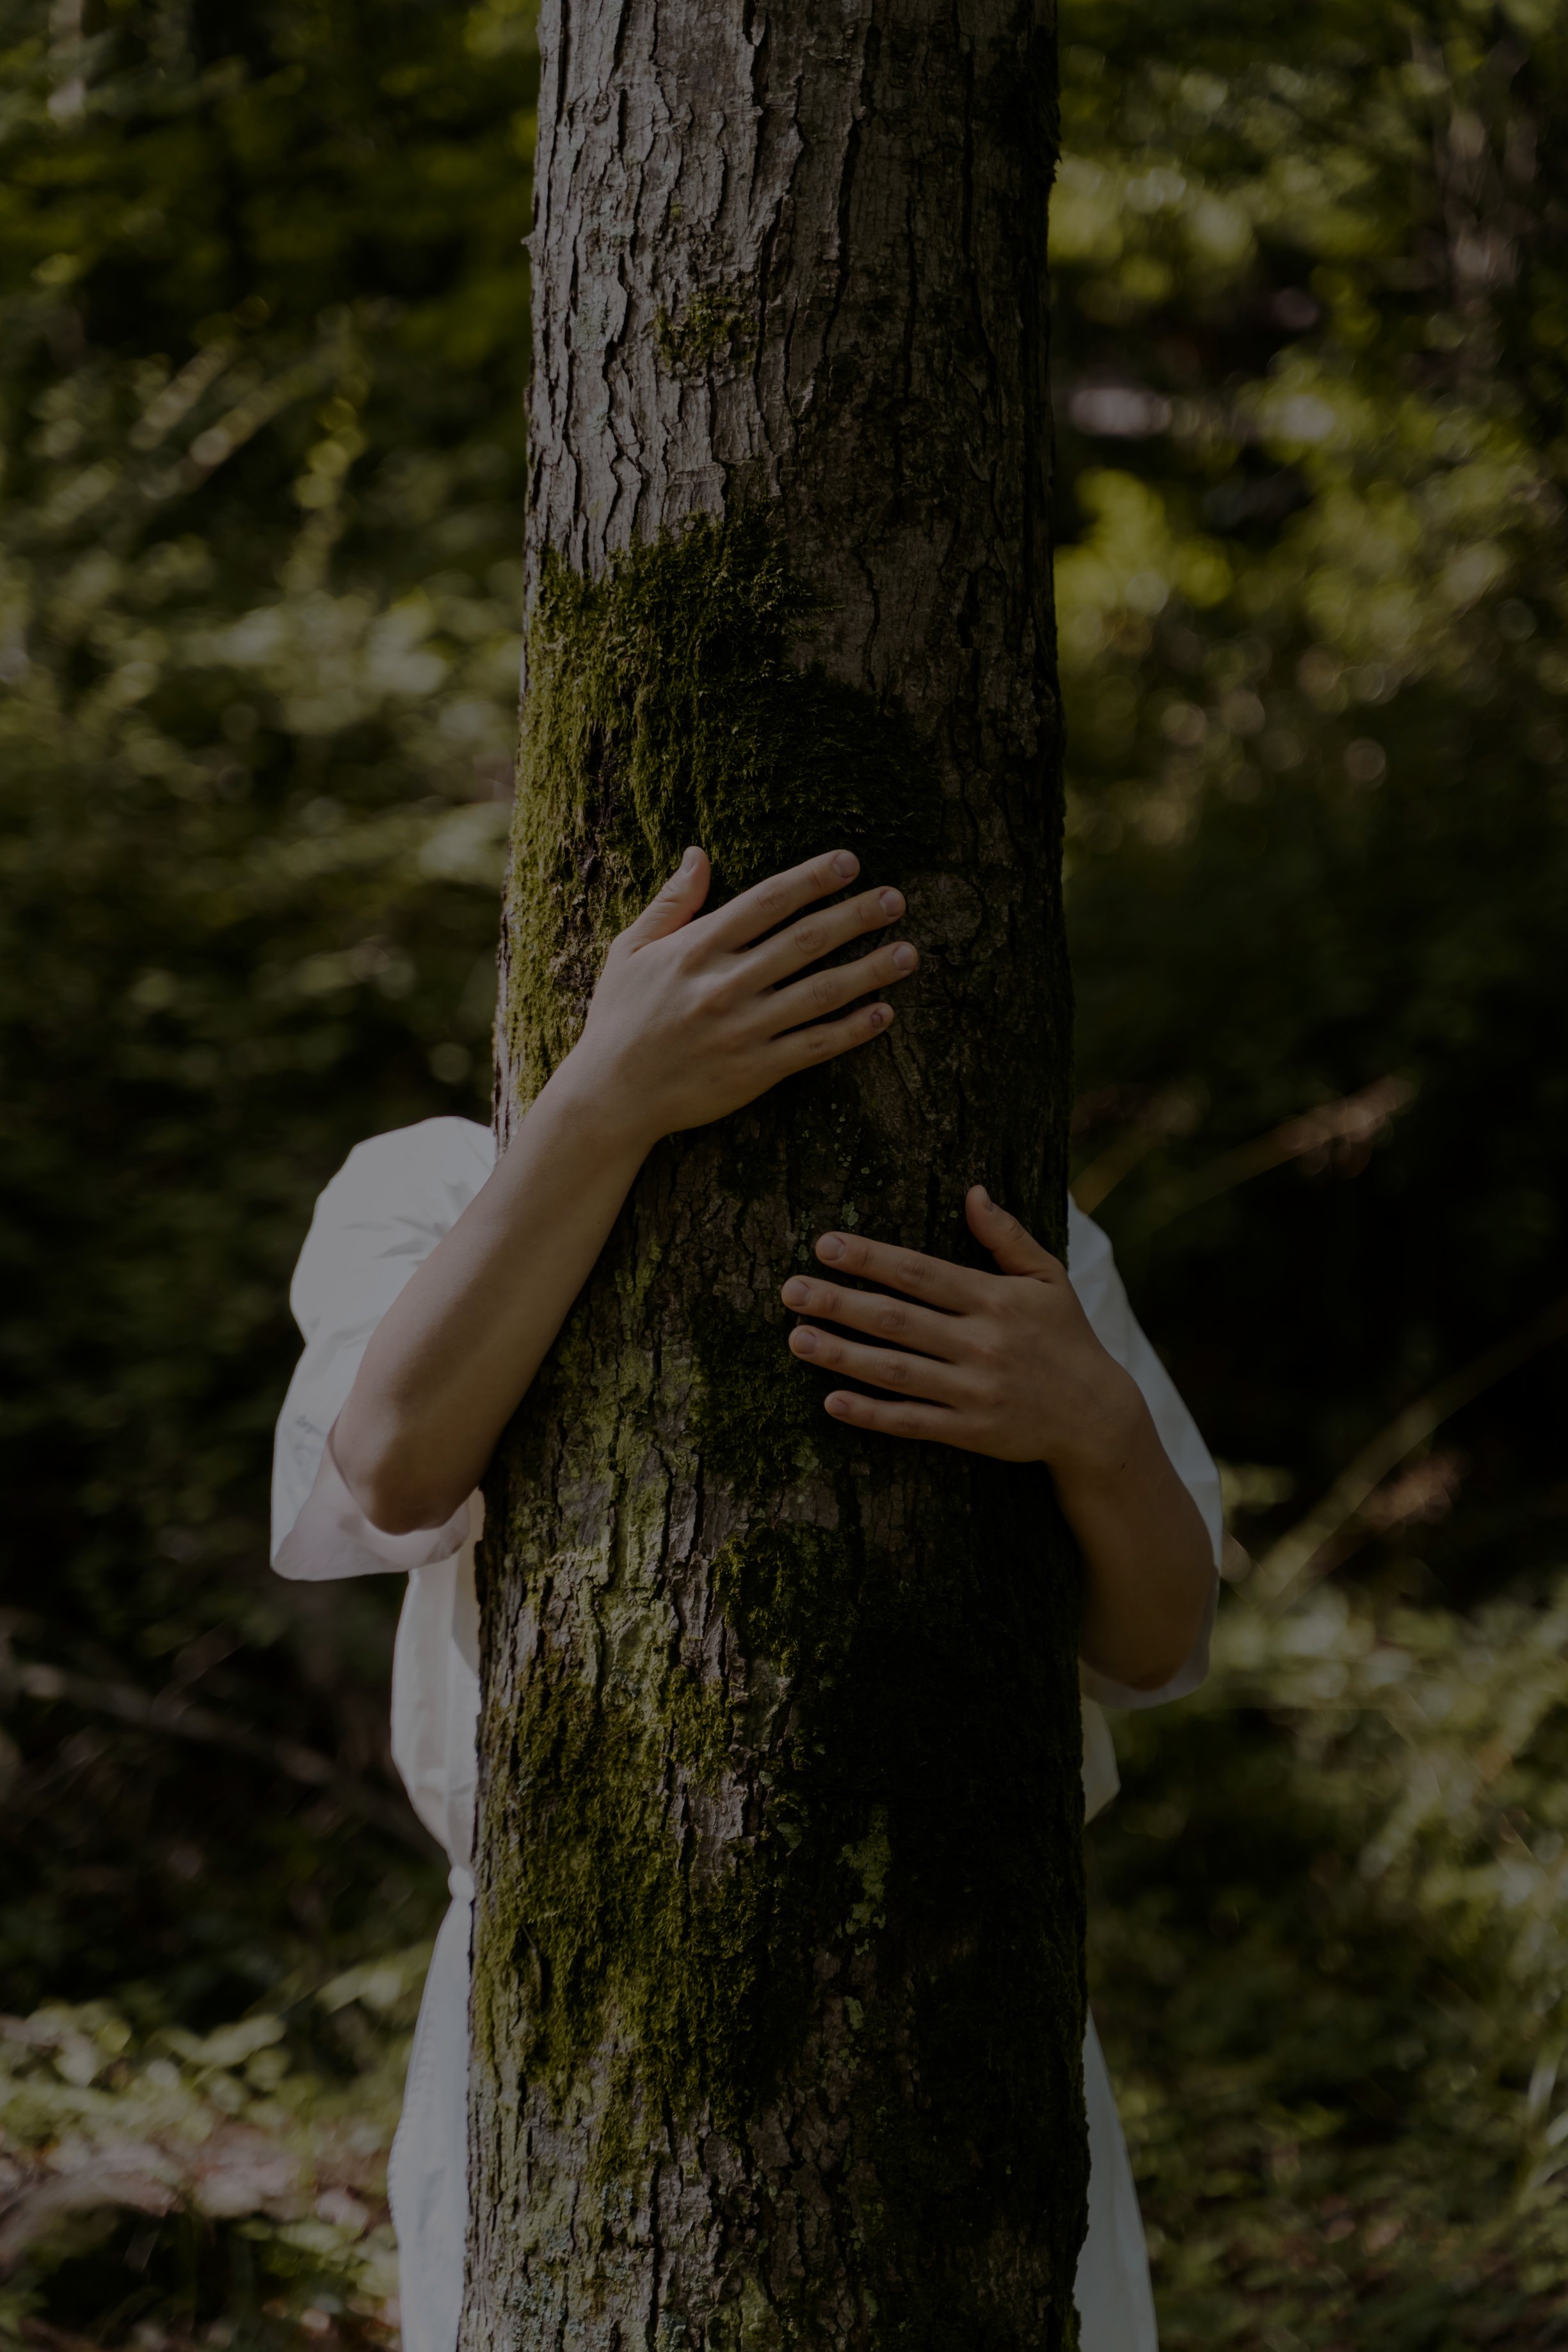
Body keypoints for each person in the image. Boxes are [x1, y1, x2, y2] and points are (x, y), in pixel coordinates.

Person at [271, 844, 1222, 2352]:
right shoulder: (441, 1180)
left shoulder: (1010, 1217)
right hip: (573, 1994)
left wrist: (1091, 1424)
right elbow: (388, 1466)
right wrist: (605, 1104)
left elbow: (1157, 1638)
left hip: (974, 1977)